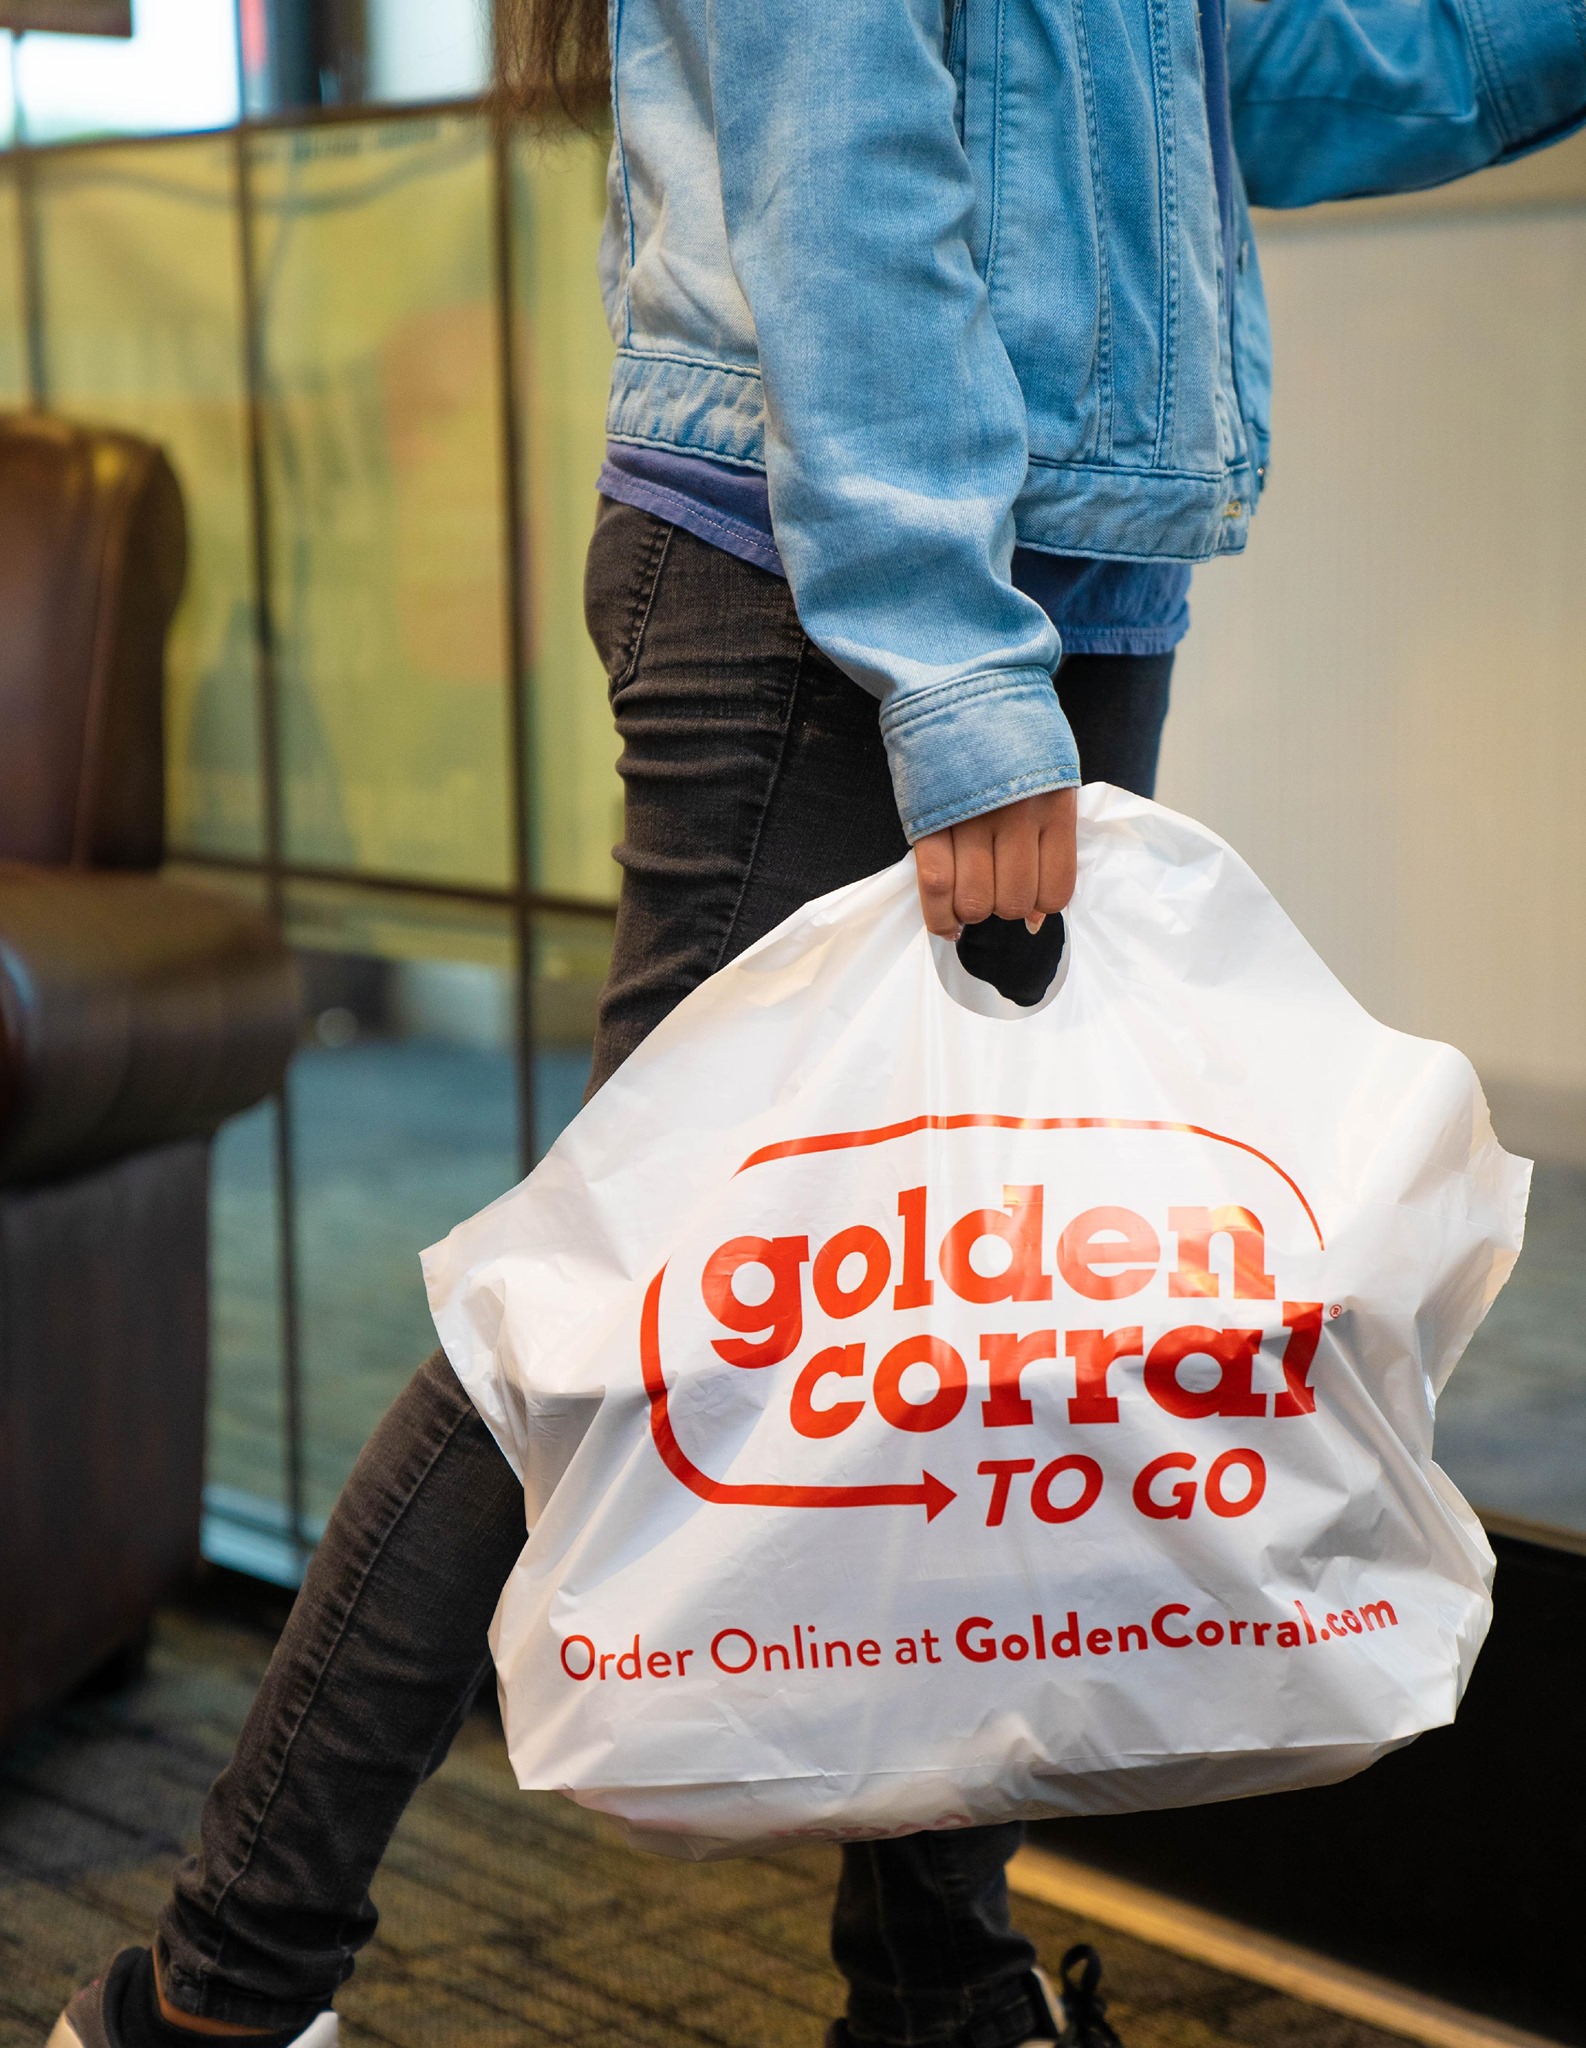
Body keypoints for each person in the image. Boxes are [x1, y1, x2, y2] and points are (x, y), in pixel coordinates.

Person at [49, 1, 1586, 2044]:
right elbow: (840, 167)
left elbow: (1250, 79)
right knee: (621, 1309)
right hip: (823, 581)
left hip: (1053, 576)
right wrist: (956, 679)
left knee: (982, 1306)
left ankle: (940, 1992)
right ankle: (215, 1999)